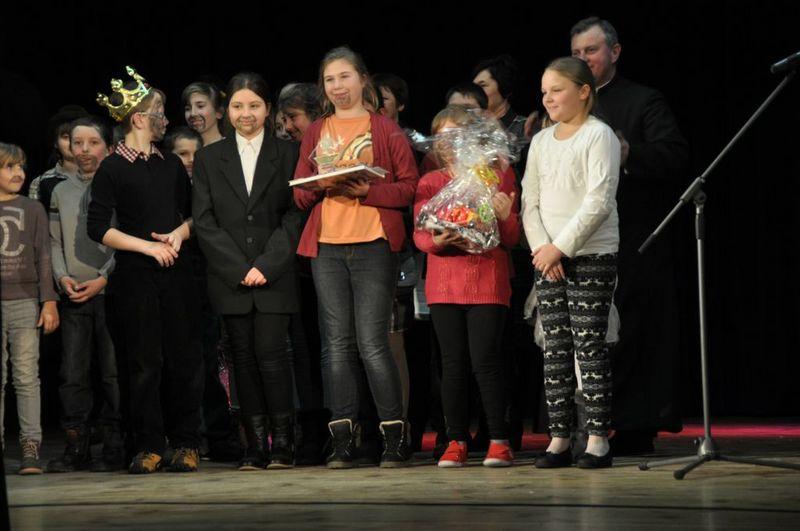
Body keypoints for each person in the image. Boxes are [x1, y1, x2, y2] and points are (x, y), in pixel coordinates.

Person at [293, 46, 419, 469]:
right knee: (335, 345)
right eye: (330, 80)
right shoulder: (317, 130)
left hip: (373, 244)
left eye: (345, 77)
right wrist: (319, 185)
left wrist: (369, 191)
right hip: (327, 246)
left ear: (363, 79)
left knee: (372, 343)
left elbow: (409, 188)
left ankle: (393, 437)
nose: (338, 87)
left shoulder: (385, 129)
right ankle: (342, 439)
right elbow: (299, 193)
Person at [570, 16, 689, 454]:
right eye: (576, 53)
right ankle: (584, 427)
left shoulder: (643, 100)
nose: (583, 59)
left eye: (591, 50)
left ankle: (632, 428)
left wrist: (628, 153)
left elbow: (674, 154)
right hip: (578, 239)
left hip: (633, 239)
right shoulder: (565, 105)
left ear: (614, 52)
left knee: (631, 332)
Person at [89, 66, 203, 474]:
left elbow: (194, 214)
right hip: (136, 276)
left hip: (176, 274)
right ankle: (148, 444)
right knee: (143, 362)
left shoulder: (170, 164)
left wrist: (178, 234)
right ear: (139, 118)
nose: (164, 119)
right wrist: (149, 247)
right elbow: (98, 227)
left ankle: (185, 441)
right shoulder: (112, 168)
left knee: (182, 358)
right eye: (159, 112)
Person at [193, 72, 304, 470]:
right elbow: (204, 220)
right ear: (227, 111)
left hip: (275, 274)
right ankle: (255, 445)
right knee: (241, 358)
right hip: (231, 278)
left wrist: (266, 265)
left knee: (272, 355)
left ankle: (283, 443)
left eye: (254, 106)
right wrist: (239, 268)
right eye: (238, 106)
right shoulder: (209, 158)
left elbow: (295, 214)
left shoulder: (288, 153)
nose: (246, 114)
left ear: (268, 109)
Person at [521, 57, 620, 469]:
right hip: (547, 257)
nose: (548, 98)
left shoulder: (599, 135)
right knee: (556, 348)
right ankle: (559, 437)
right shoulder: (542, 141)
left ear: (583, 91)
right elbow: (529, 201)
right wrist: (544, 249)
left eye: (557, 90)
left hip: (590, 253)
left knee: (588, 345)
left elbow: (599, 200)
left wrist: (560, 248)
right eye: (544, 91)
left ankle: (597, 439)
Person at [414, 105, 520, 468]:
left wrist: (505, 217)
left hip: (487, 282)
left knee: (486, 362)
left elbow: (510, 237)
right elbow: (420, 234)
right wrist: (437, 240)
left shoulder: (496, 176)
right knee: (452, 364)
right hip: (444, 286)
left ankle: (499, 440)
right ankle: (455, 440)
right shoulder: (431, 182)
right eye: (441, 137)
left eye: (456, 136)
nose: (448, 144)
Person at [47, 116, 123, 473]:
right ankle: (76, 445)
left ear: (108, 147)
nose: (84, 150)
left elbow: (124, 239)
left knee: (112, 372)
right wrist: (62, 276)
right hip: (74, 293)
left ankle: (115, 445)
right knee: (72, 373)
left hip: (109, 291)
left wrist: (104, 279)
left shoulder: (118, 185)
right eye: (77, 143)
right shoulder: (60, 191)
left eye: (93, 143)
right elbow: (55, 241)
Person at [0, 142, 60, 475]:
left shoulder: (32, 208)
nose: (18, 173)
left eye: (21, 166)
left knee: (26, 376)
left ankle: (30, 445)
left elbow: (43, 256)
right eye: (9, 166)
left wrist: (48, 300)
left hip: (24, 301)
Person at [28, 105, 88, 213]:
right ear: (55, 143)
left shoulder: (104, 176)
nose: (73, 143)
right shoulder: (40, 183)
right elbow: (35, 220)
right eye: (66, 137)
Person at [183, 81, 225, 146]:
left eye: (200, 106)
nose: (193, 114)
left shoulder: (233, 147)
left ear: (219, 112)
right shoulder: (182, 149)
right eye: (188, 109)